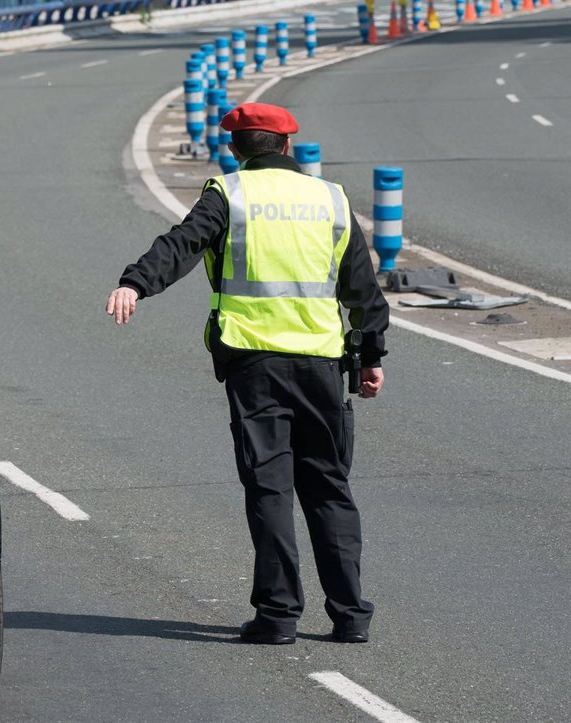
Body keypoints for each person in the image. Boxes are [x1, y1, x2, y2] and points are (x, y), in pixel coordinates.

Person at [105, 103, 389, 645]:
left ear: (235, 150)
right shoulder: (329, 198)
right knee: (330, 487)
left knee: (270, 489)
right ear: (287, 146)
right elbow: (362, 288)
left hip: (254, 361)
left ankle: (279, 617)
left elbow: (180, 246)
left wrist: (134, 283)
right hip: (323, 363)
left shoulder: (228, 194)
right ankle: (350, 617)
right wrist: (370, 355)